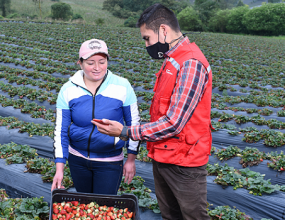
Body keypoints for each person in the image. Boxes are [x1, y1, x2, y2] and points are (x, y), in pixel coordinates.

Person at [93, 4, 213, 220]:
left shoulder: (191, 63)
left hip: (184, 162)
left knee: (193, 217)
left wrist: (126, 131)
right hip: (166, 154)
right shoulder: (173, 58)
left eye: (147, 38)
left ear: (164, 31)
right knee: (170, 216)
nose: (147, 44)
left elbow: (174, 122)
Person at [51, 39, 141, 195]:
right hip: (77, 160)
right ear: (80, 63)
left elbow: (134, 124)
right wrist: (60, 167)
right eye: (90, 62)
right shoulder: (68, 89)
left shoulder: (122, 86)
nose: (97, 68)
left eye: (102, 61)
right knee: (86, 206)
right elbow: (61, 130)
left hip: (110, 162)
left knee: (104, 207)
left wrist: (131, 159)